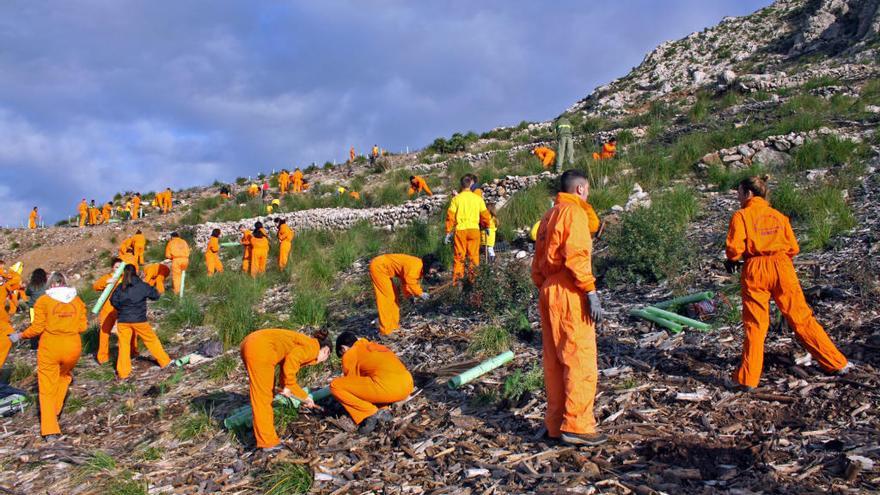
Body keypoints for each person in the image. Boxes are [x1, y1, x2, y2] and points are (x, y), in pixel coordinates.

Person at [725, 176, 849, 390]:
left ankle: (747, 379)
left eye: (739, 192)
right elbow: (793, 248)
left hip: (756, 268)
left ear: (748, 194)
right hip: (783, 267)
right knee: (802, 318)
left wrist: (733, 260)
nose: (737, 196)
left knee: (756, 324)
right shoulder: (779, 216)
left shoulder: (742, 215)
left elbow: (734, 250)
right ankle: (836, 363)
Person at [531, 169, 606, 446]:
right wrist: (590, 290)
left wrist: (547, 287)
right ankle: (577, 425)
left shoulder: (548, 216)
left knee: (554, 361)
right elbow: (576, 256)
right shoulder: (574, 214)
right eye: (587, 191)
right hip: (569, 289)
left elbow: (537, 264)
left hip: (548, 289)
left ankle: (555, 424)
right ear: (581, 190)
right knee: (578, 357)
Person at [9, 272, 87, 438]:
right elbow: (83, 327)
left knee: (46, 387)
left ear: (50, 285)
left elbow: (37, 328)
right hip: (73, 346)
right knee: (64, 377)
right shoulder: (77, 301)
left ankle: (50, 429)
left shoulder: (43, 301)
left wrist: (20, 335)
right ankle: (55, 410)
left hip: (50, 346)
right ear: (65, 283)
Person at [239, 328, 332, 451]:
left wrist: (288, 388)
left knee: (266, 393)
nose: (323, 361)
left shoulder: (306, 343)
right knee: (263, 398)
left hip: (252, 343)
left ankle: (263, 434)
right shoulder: (313, 348)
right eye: (327, 357)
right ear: (325, 351)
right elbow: (292, 361)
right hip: (260, 348)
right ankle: (267, 442)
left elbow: (286, 369)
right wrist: (305, 397)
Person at [330, 332, 414, 434]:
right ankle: (383, 409)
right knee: (375, 379)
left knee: (335, 386)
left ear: (343, 349)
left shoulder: (350, 353)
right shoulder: (373, 346)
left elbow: (355, 386)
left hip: (389, 389)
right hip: (407, 384)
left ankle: (369, 413)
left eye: (342, 354)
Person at [110, 264, 171, 379]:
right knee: (151, 340)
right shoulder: (142, 285)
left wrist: (121, 309)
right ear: (136, 272)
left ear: (124, 273)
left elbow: (113, 301)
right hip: (139, 320)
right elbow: (156, 295)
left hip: (123, 320)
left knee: (123, 345)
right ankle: (165, 361)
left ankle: (123, 373)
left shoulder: (120, 287)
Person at [369, 254, 440, 336]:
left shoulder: (417, 267)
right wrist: (420, 293)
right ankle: (386, 331)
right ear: (428, 265)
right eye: (433, 270)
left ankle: (393, 327)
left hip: (383, 268)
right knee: (387, 299)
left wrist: (408, 295)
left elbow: (405, 281)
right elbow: (410, 282)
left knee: (394, 298)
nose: (432, 273)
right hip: (379, 267)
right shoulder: (416, 266)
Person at [445, 175, 491, 283]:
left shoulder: (456, 199)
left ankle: (457, 281)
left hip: (460, 230)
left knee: (459, 257)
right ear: (471, 184)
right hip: (474, 230)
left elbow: (450, 216)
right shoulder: (478, 199)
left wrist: (447, 232)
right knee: (473, 256)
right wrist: (487, 226)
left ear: (461, 185)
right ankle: (473, 280)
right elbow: (485, 215)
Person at [93, 258, 129, 365]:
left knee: (126, 332)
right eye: (116, 267)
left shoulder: (126, 278)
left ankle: (130, 352)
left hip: (121, 309)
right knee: (104, 333)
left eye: (120, 267)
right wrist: (106, 282)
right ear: (112, 268)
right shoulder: (107, 277)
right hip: (107, 310)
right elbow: (95, 286)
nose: (118, 269)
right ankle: (103, 358)